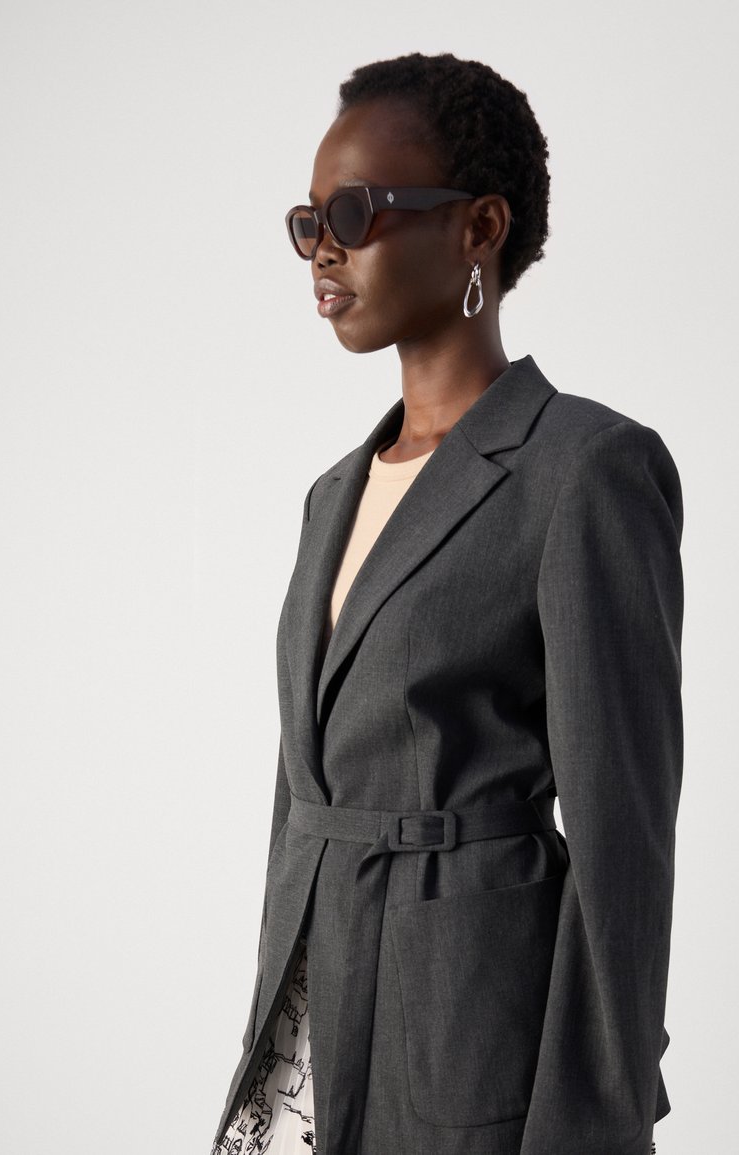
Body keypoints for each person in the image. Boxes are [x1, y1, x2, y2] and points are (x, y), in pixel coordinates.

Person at [210, 51, 681, 1155]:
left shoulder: (583, 469)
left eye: (354, 211)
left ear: (479, 228)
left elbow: (623, 839)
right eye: (307, 222)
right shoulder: (334, 494)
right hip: (307, 1030)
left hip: (472, 1034)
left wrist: (591, 1119)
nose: (323, 248)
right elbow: (300, 794)